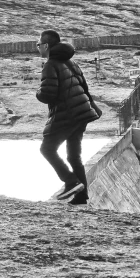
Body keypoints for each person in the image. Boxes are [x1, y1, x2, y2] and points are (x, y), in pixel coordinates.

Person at [35, 30, 102, 204]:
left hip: (68, 114)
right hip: (81, 114)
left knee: (47, 149)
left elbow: (48, 94)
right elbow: (84, 87)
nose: (37, 48)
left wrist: (38, 93)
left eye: (38, 45)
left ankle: (70, 181)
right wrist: (92, 106)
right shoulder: (71, 62)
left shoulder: (50, 65)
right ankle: (81, 196)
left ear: (46, 46)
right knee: (73, 156)